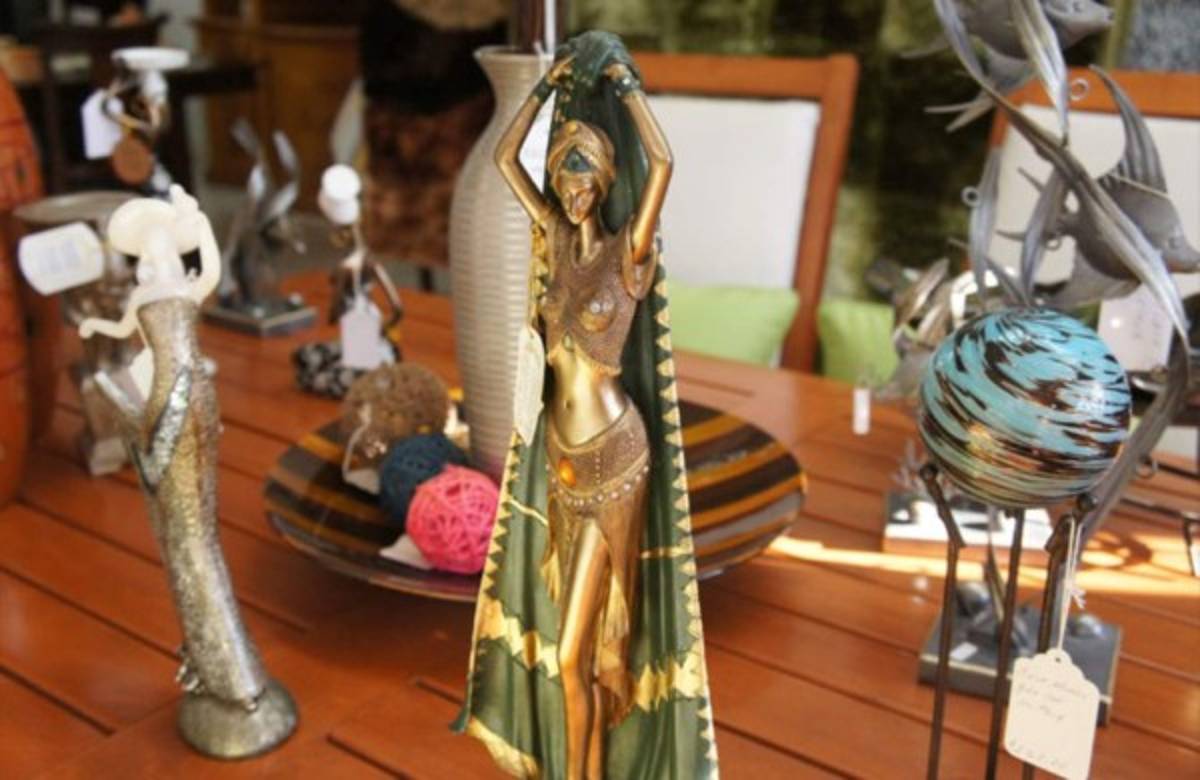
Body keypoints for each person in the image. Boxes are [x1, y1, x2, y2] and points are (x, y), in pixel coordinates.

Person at [455, 31, 718, 780]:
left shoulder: (624, 254)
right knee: (577, 645)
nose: (572, 193)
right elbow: (505, 159)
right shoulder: (554, 242)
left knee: (576, 653)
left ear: (602, 183)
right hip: (563, 463)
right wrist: (544, 87)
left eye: (583, 179)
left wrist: (626, 87)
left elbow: (662, 164)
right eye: (564, 178)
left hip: (615, 459)